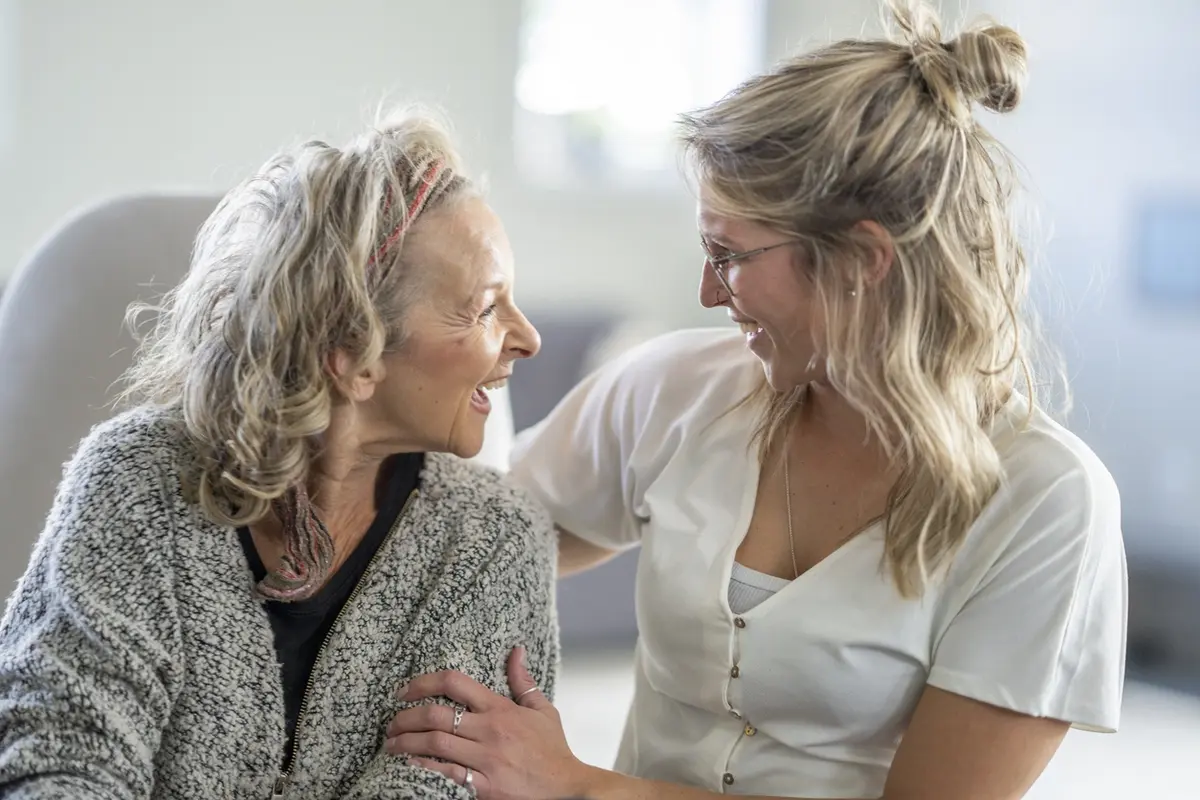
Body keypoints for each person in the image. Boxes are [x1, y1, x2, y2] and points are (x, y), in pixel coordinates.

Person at [382, 2, 1127, 798]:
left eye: (729, 255)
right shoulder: (675, 390)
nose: (708, 292)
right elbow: (472, 540)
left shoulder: (1047, 504)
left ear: (862, 259)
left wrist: (578, 785)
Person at [0, 108, 557, 799]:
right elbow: (58, 758)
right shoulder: (135, 480)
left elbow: (437, 789)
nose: (528, 338)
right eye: (485, 308)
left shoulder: (497, 539)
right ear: (351, 353)